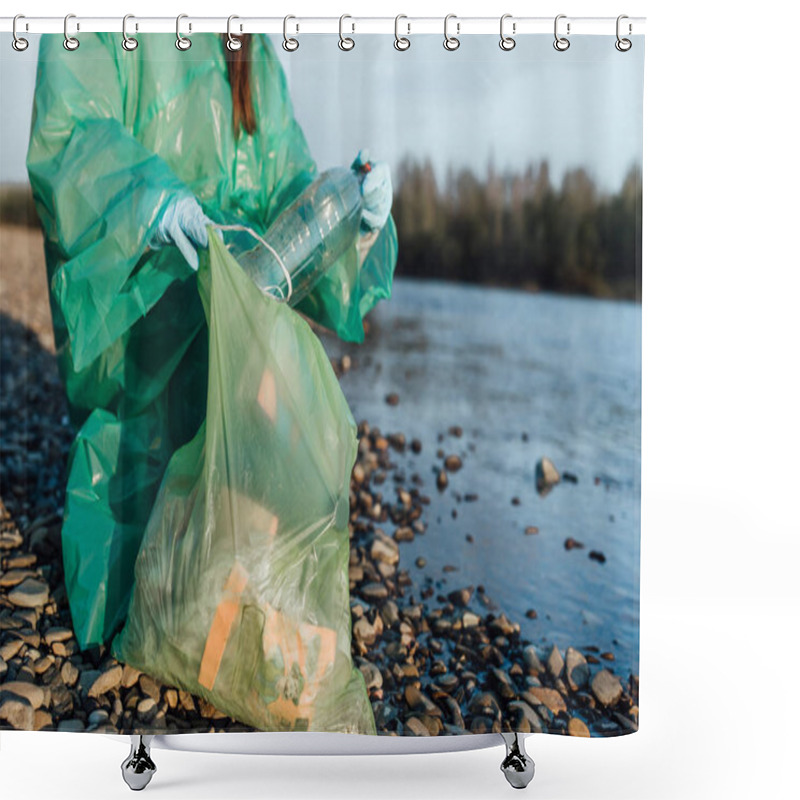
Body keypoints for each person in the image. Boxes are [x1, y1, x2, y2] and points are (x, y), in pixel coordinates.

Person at [26, 32, 397, 651]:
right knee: (142, 572)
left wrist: (350, 228)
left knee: (259, 546)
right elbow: (69, 137)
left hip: (232, 355)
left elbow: (288, 197)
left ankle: (224, 581)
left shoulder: (247, 48)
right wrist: (148, 202)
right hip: (138, 330)